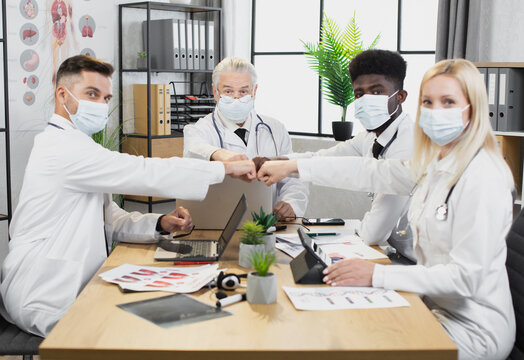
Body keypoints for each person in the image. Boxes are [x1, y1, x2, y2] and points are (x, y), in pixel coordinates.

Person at [258, 59, 515, 360]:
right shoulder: (436, 163)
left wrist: (375, 276)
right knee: (339, 331)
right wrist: (292, 166)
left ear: (473, 108)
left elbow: (465, 279)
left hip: (473, 329)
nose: (435, 111)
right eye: (428, 102)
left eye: (449, 102)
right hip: (430, 304)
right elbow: (369, 171)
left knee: (353, 347)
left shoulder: (483, 176)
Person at [0, 55, 256, 337]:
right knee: (150, 329)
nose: (101, 105)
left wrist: (159, 223)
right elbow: (143, 171)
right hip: (45, 291)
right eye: (91, 94)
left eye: (106, 97)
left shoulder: (78, 146)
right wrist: (223, 167)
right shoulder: (61, 148)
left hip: (73, 281)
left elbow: (108, 217)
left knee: (168, 314)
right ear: (62, 94)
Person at [281, 49, 415, 263]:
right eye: (360, 94)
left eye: (377, 91)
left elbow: (375, 232)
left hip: (415, 264)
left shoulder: (409, 144)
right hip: (392, 252)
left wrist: (345, 235)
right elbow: (322, 158)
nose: (366, 100)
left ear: (400, 96)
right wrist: (276, 163)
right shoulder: (369, 138)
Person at [182, 57, 309, 220]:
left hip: (270, 224)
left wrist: (291, 203)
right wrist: (219, 154)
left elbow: (292, 177)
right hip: (218, 223)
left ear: (254, 92)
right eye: (228, 91)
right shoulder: (200, 130)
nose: (236, 98)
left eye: (243, 91)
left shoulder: (275, 129)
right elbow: (194, 152)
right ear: (215, 92)